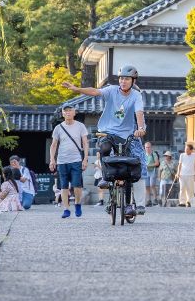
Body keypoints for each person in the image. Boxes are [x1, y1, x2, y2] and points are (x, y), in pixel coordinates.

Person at [62, 64, 147, 217]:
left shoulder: (136, 96)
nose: (123, 81)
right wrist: (77, 89)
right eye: (121, 78)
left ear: (133, 81)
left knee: (127, 170)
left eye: (127, 79)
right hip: (108, 131)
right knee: (105, 148)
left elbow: (139, 113)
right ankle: (104, 178)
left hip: (127, 134)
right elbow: (95, 91)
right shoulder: (112, 90)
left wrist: (140, 128)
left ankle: (128, 205)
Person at [49, 104, 89, 218]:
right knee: (64, 186)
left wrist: (85, 159)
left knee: (77, 185)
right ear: (62, 113)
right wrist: (52, 160)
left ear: (74, 113)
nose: (67, 113)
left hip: (76, 160)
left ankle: (77, 204)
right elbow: (53, 145)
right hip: (62, 161)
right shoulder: (58, 128)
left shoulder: (80, 126)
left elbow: (85, 143)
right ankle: (66, 209)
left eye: (70, 110)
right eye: (65, 111)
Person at [144, 142, 160, 206]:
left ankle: (155, 199)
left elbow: (157, 163)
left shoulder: (154, 154)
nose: (147, 148)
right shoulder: (143, 154)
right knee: (147, 186)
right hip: (145, 172)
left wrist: (149, 165)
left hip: (152, 171)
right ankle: (149, 200)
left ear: (151, 147)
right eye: (146, 147)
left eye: (149, 147)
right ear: (144, 148)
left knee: (152, 185)